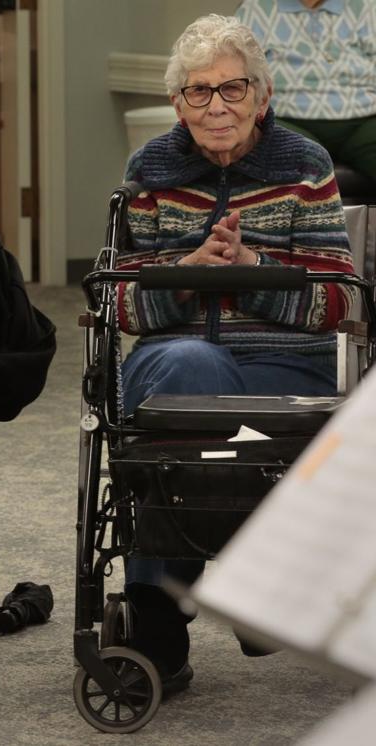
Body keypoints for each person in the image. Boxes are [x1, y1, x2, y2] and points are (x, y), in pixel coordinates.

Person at [114, 14, 355, 696]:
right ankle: (257, 580)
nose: (216, 106)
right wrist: (188, 270)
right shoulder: (150, 170)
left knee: (193, 423)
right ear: (178, 104)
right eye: (198, 91)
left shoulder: (305, 166)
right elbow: (122, 308)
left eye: (233, 88)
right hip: (170, 370)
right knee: (190, 373)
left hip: (285, 370)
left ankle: (158, 623)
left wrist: (249, 267)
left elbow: (336, 305)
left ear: (263, 95)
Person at [236, 0, 376, 182]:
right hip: (286, 119)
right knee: (286, 151)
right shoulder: (256, 8)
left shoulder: (366, 6)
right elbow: (236, 72)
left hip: (364, 121)